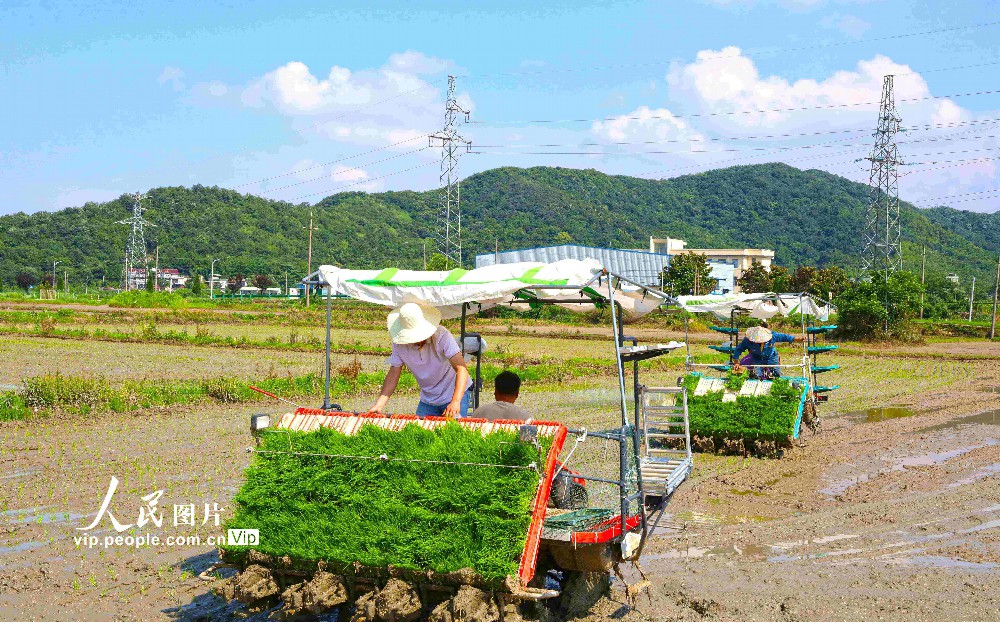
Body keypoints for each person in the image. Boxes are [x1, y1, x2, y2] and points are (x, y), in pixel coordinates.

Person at [367, 302, 472, 418]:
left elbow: (461, 369)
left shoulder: (442, 336)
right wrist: (379, 404)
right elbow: (393, 373)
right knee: (421, 431)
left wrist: (456, 402)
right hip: (428, 398)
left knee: (454, 431)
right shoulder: (399, 342)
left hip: (453, 392)